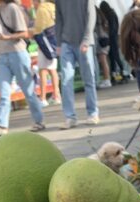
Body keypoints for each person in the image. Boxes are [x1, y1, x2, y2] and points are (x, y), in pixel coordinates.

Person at [0, 0, 47, 135]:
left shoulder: (13, 8)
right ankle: (2, 126)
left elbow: (25, 33)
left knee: (28, 90)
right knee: (3, 91)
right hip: (3, 54)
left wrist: (6, 37)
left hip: (17, 52)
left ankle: (39, 121)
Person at [55, 0, 100, 128]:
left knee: (88, 79)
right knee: (65, 80)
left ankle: (93, 113)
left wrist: (86, 39)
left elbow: (91, 15)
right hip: (66, 42)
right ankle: (70, 117)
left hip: (83, 42)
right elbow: (58, 20)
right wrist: (58, 43)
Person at [32, 0, 61, 105]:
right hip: (55, 42)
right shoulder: (53, 6)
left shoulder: (41, 9)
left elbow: (38, 30)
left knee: (43, 70)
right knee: (53, 70)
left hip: (45, 44)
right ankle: (56, 95)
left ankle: (43, 98)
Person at [100, 2, 128, 82]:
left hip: (112, 39)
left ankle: (121, 73)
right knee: (115, 57)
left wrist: (108, 35)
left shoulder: (110, 15)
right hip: (114, 38)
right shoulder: (112, 13)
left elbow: (112, 28)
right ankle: (118, 74)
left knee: (115, 57)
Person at [96, 10, 113, 87]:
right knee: (105, 60)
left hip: (101, 40)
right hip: (105, 38)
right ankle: (107, 79)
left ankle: (107, 79)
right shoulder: (103, 18)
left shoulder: (97, 19)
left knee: (103, 60)